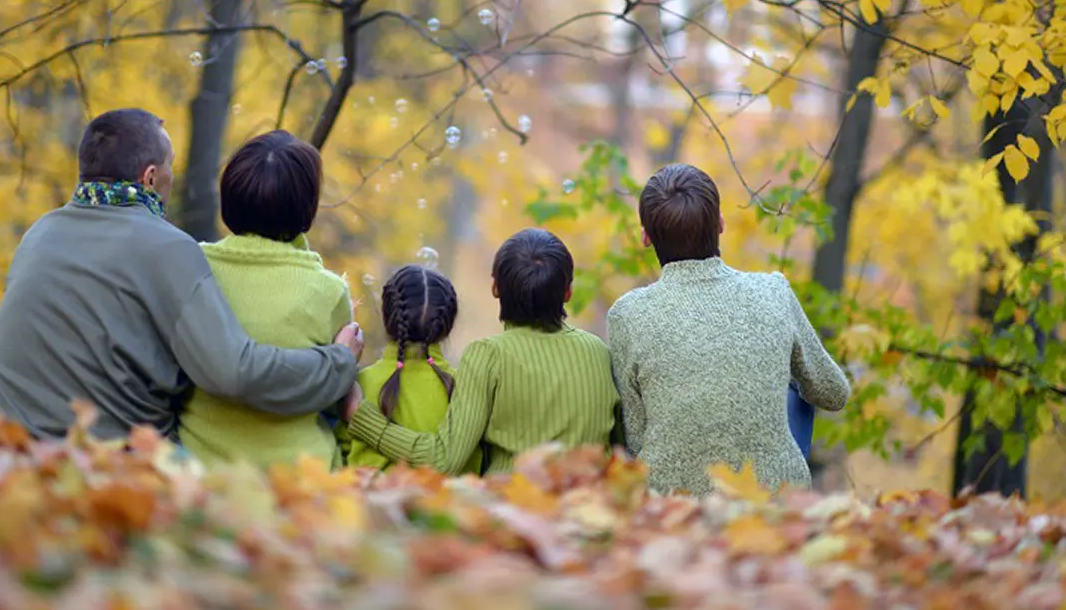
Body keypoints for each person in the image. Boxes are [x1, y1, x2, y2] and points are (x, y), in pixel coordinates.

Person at [0, 109, 364, 441]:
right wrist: (338, 362)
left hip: (0, 441)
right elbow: (233, 372)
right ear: (149, 178)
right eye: (171, 166)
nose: (173, 176)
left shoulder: (38, 233)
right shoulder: (168, 248)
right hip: (106, 455)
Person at [607, 164, 850, 496]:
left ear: (646, 236)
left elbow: (635, 437)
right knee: (792, 387)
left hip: (672, 509)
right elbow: (833, 393)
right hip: (774, 500)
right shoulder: (773, 292)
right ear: (720, 224)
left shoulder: (627, 315)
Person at [343, 229, 618, 474]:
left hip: (515, 513)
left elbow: (444, 458)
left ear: (495, 287)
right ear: (568, 292)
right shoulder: (599, 351)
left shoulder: (488, 355)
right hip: (591, 507)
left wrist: (360, 416)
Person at [178, 130, 356, 469]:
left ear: (229, 196)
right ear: (308, 206)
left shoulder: (192, 266)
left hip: (198, 470)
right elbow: (339, 397)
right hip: (301, 477)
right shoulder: (329, 291)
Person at [342, 265, 481, 474]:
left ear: (386, 317)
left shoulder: (356, 387)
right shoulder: (468, 389)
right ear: (449, 325)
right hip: (451, 505)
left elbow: (341, 456)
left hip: (371, 505)